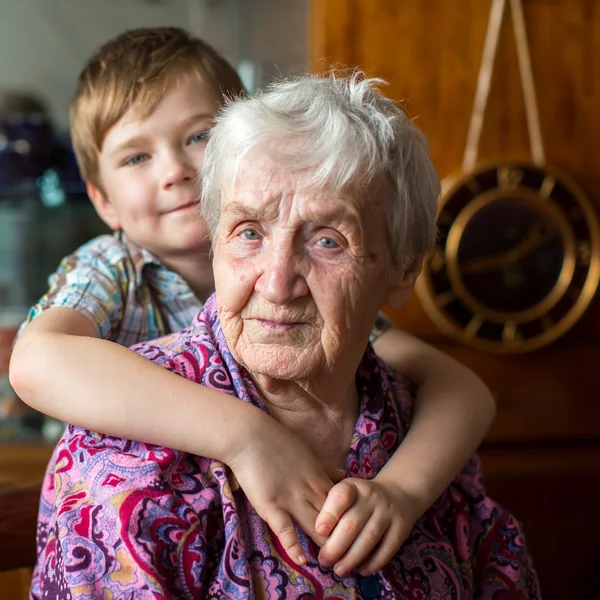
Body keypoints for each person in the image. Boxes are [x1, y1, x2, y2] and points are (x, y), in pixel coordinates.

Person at [9, 28, 496, 585]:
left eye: (197, 137)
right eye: (137, 156)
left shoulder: (334, 306)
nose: (175, 171)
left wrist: (403, 491)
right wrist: (247, 437)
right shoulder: (109, 267)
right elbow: (36, 363)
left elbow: (459, 388)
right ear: (100, 200)